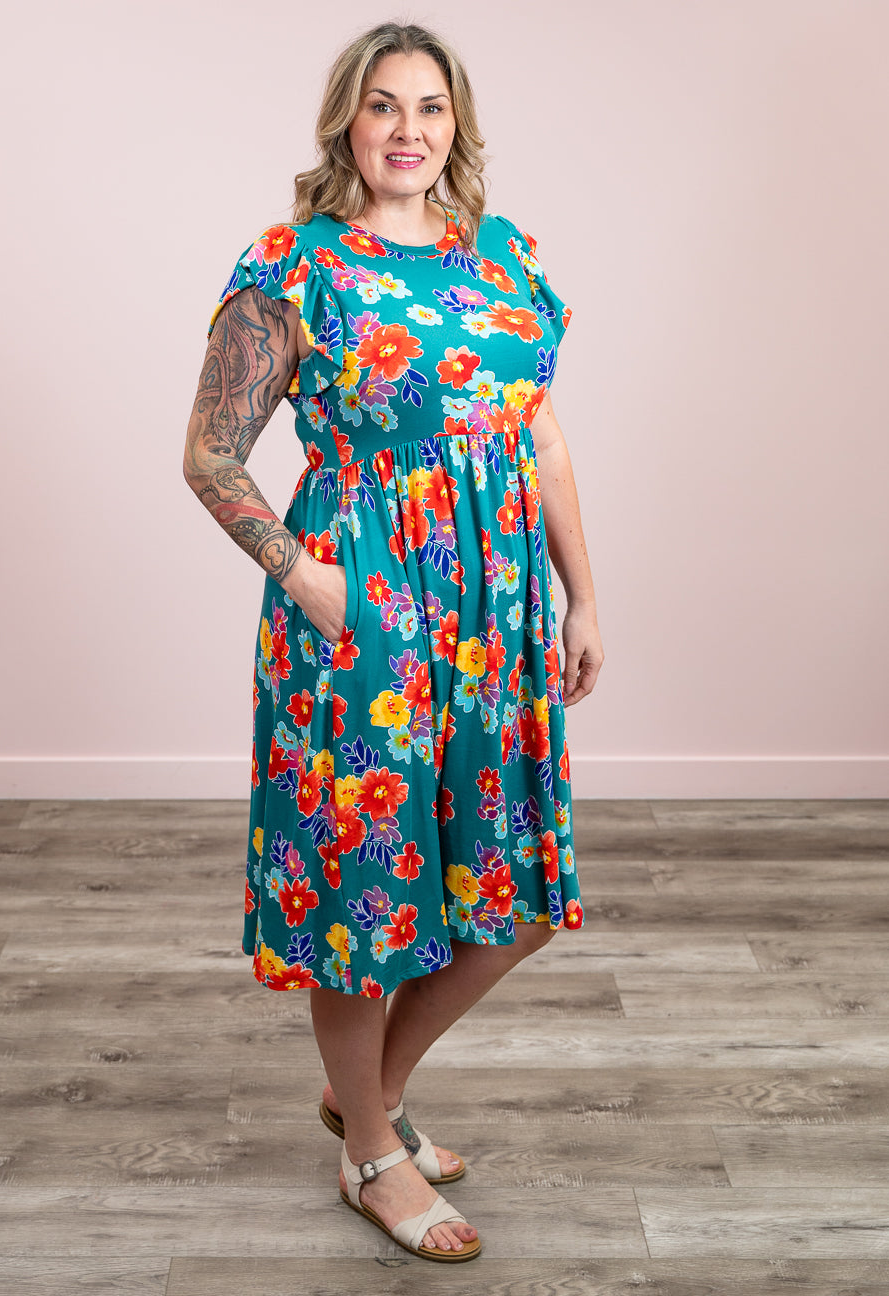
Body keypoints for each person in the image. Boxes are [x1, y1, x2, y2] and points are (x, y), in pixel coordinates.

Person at [183, 20, 603, 1264]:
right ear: (346, 124)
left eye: (429, 107)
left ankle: (365, 1093)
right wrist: (306, 578)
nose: (407, 130)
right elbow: (209, 455)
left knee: (509, 888)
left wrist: (583, 597)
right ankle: (374, 1153)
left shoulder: (505, 257)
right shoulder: (294, 265)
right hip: (362, 607)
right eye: (382, 106)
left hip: (494, 614)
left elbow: (540, 435)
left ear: (455, 125)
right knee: (367, 888)